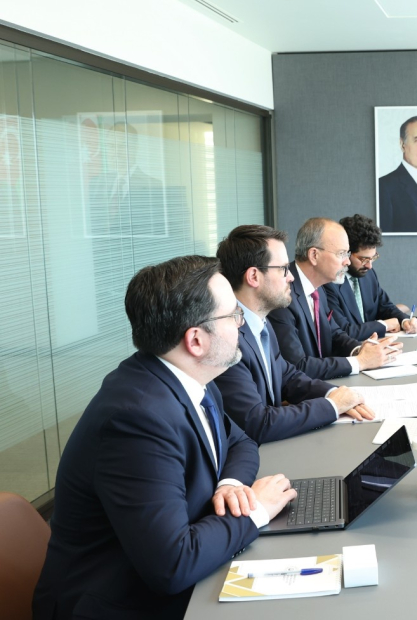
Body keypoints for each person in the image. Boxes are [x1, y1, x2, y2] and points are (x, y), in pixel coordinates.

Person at [33, 256, 297, 619]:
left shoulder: (192, 377)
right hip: (120, 604)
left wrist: (231, 485)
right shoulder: (135, 419)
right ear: (196, 340)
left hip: (178, 575)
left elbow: (241, 443)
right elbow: (173, 564)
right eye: (234, 315)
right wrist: (256, 511)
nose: (242, 324)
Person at [214, 225, 375, 445]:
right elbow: (257, 423)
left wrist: (334, 393)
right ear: (253, 276)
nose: (291, 276)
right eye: (283, 269)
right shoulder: (226, 338)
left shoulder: (260, 322)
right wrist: (331, 406)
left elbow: (287, 376)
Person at [268, 218, 402, 379]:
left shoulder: (319, 287)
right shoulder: (282, 294)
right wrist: (360, 362)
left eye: (347, 254)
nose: (347, 262)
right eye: (341, 254)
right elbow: (297, 365)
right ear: (314, 255)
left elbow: (334, 333)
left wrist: (361, 350)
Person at [325, 213, 417, 341]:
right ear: (346, 253)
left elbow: (385, 307)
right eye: (364, 259)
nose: (369, 266)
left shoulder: (368, 274)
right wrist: (384, 325)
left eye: (373, 257)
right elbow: (344, 331)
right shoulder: (329, 281)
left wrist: (405, 321)